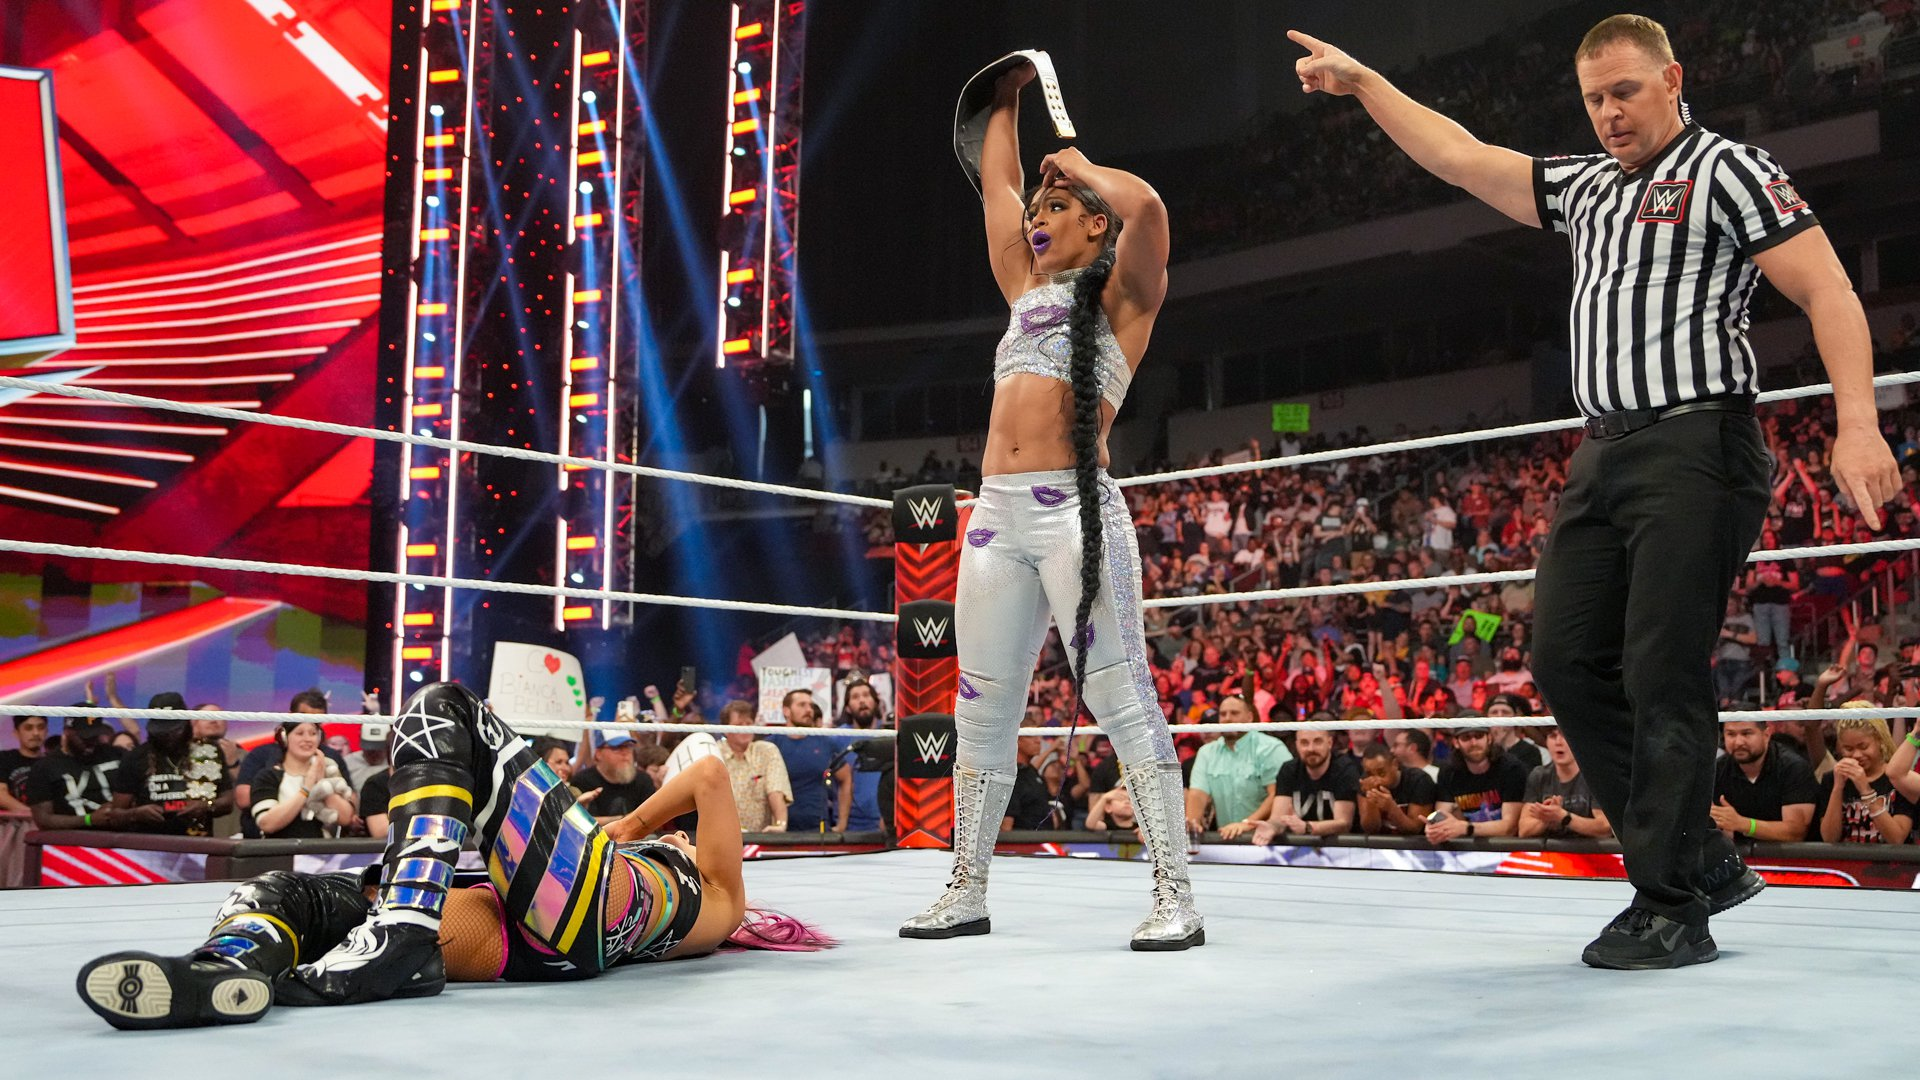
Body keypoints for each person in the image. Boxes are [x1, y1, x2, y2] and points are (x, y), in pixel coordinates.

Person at [1289, 14, 1898, 969]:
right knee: (1565, 658)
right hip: (1603, 451)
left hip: (1697, 440)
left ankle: (1671, 904)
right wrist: (1366, 83)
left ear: (1672, 79)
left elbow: (1827, 288)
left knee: (1660, 667)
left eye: (1625, 91)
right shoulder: (1585, 187)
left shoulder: (1729, 169)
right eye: (1593, 99)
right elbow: (1460, 157)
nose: (1609, 113)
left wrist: (1856, 421)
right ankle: (1700, 856)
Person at [75, 682, 830, 1030]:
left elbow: (707, 776)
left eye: (687, 838)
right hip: (514, 936)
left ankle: (400, 932)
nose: (684, 836)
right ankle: (227, 969)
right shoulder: (598, 865)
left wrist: (631, 828)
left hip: (583, 921)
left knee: (446, 710)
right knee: (285, 892)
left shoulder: (719, 898)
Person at [907, 54, 1196, 951]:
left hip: (1075, 511)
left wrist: (1079, 165)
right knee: (981, 707)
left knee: (1120, 695)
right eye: (1039, 209)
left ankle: (1175, 895)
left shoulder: (1124, 296)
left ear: (1095, 223)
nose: (1036, 216)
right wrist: (1004, 96)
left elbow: (1150, 210)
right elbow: (997, 182)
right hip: (995, 518)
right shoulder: (1023, 288)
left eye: (1057, 207)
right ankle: (965, 888)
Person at [109, 701, 233, 837]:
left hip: (197, 841)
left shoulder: (209, 752)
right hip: (149, 841)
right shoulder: (136, 756)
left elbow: (228, 802)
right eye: (162, 731)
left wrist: (207, 805)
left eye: (174, 730)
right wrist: (136, 814)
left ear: (185, 725)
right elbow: (115, 816)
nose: (169, 736)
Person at [1185, 696, 1290, 835]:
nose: (1227, 718)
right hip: (1226, 836)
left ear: (1249, 717)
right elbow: (1197, 794)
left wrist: (1246, 824)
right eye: (1223, 714)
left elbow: (1278, 795)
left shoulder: (1271, 748)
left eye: (1234, 713)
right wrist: (1193, 824)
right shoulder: (1207, 752)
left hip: (1269, 837)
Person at [1814, 712, 1914, 845]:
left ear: (1879, 741)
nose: (1856, 755)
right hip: (1847, 857)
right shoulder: (1831, 780)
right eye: (1848, 749)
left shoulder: (1898, 780)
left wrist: (1865, 790)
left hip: (1890, 858)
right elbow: (1829, 838)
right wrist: (1837, 788)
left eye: (1863, 747)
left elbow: (1897, 838)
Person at [1711, 721, 1819, 843]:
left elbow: (1796, 832)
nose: (1738, 742)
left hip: (1790, 853)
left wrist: (1743, 824)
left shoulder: (1793, 768)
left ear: (1766, 735)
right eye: (1731, 734)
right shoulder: (1716, 770)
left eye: (1747, 733)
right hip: (1737, 852)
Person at [1249, 726, 1358, 843]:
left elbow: (1344, 823)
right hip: (1299, 847)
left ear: (1329, 743)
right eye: (1304, 743)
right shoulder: (1289, 769)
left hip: (1340, 848)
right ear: (1297, 745)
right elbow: (1278, 818)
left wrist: (1308, 827)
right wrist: (1272, 827)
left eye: (1318, 742)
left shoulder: (1345, 769)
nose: (1311, 749)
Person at [249, 722, 355, 839]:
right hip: (281, 848)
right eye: (300, 733)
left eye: (313, 734)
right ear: (284, 737)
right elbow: (267, 824)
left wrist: (323, 785)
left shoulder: (329, 770)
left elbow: (346, 818)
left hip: (321, 847)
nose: (307, 739)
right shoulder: (268, 776)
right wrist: (306, 788)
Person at [1425, 725, 1527, 841]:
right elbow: (1442, 814)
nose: (1473, 743)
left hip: (1506, 847)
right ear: (1456, 742)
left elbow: (1509, 828)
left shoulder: (1511, 768)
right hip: (1467, 847)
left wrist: (1466, 828)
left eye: (1479, 736)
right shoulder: (1449, 771)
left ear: (1489, 738)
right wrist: (1435, 827)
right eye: (1466, 738)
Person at [24, 718, 126, 831]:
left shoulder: (118, 754)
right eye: (84, 737)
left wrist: (122, 808)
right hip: (74, 838)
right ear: (67, 731)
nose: (91, 742)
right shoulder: (45, 768)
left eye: (94, 736)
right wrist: (89, 819)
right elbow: (43, 820)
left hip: (124, 835)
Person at [772, 689, 848, 834]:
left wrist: (842, 823)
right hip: (780, 830)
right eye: (802, 705)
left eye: (810, 706)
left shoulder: (826, 743)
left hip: (818, 829)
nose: (808, 710)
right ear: (786, 711)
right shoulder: (772, 745)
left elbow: (846, 778)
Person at [1517, 728, 1610, 840]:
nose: (1558, 742)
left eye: (1565, 735)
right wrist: (1547, 818)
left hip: (1589, 850)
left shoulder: (1594, 776)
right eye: (1552, 736)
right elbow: (1524, 829)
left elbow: (1605, 828)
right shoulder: (1539, 775)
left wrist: (1564, 817)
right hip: (1552, 850)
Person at [717, 701, 791, 832]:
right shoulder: (714, 753)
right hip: (720, 834)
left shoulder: (767, 751)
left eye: (749, 723)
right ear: (726, 730)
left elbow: (776, 789)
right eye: (739, 725)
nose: (746, 729)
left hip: (760, 836)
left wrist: (780, 824)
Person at [1353, 742, 1437, 837]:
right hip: (1379, 844)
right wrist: (1371, 802)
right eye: (1370, 774)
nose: (1376, 779)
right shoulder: (1366, 782)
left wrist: (1391, 808)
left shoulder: (1419, 780)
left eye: (1381, 773)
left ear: (1395, 764)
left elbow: (1415, 829)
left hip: (1415, 844)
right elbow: (1370, 829)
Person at [573, 732, 656, 820]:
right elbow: (582, 821)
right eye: (617, 748)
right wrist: (628, 820)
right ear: (598, 753)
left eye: (628, 746)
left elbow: (652, 816)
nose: (625, 752)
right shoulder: (582, 781)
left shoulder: (643, 780)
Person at [0, 714, 50, 813]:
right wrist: (33, 815)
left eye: (41, 727)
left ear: (47, 732)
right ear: (16, 733)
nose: (36, 733)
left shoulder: (53, 762)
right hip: (12, 820)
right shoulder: (4, 758)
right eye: (28, 728)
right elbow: (1, 795)